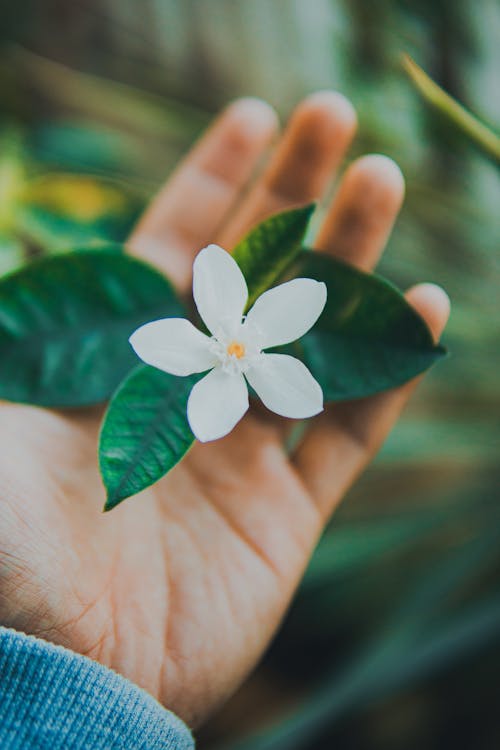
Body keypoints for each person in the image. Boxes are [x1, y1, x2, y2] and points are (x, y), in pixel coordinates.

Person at [0, 92, 449, 748]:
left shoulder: (278, 358)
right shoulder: (185, 334)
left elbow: (284, 362)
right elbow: (198, 304)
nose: (234, 346)